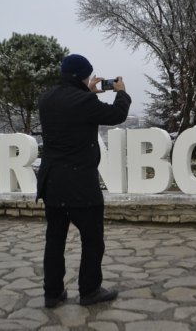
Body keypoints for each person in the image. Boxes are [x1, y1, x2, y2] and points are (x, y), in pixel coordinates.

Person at [37, 54, 131, 308]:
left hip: (52, 183)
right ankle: (89, 290)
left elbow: (70, 110)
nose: (91, 79)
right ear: (81, 75)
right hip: (80, 185)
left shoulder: (46, 98)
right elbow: (116, 114)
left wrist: (87, 93)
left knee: (54, 241)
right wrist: (121, 92)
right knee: (92, 240)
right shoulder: (83, 101)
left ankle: (52, 293)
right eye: (88, 75)